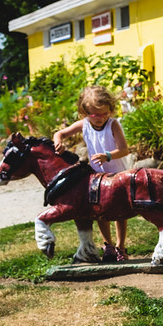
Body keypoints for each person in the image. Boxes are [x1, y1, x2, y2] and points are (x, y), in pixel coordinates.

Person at [53, 85, 131, 262]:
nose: (101, 118)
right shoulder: (85, 124)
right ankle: (108, 245)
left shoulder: (113, 124)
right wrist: (58, 142)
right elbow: (60, 133)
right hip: (97, 176)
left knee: (120, 213)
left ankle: (120, 246)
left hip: (117, 174)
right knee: (100, 211)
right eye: (96, 115)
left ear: (110, 110)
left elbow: (124, 150)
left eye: (105, 113)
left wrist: (108, 156)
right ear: (85, 112)